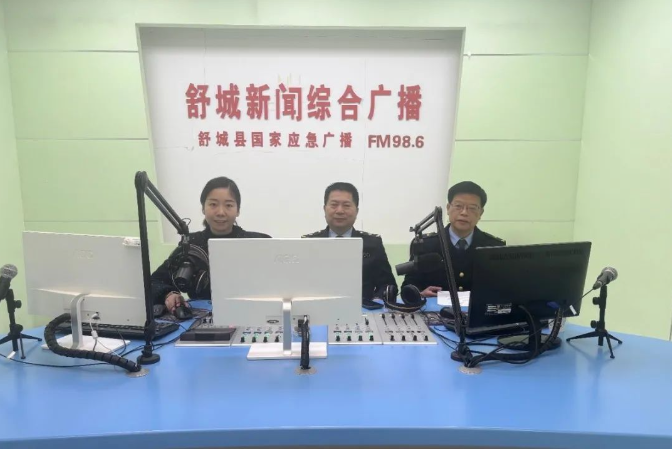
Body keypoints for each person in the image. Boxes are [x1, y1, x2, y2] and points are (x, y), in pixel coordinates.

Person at [151, 177, 270, 315]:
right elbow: (154, 281)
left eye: (229, 205)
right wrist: (168, 294)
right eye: (213, 204)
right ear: (203, 208)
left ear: (238, 210)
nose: (220, 212)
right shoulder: (191, 245)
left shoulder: (260, 243)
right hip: (201, 318)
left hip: (252, 314)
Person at [401, 181, 505, 296]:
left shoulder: (494, 246)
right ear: (448, 208)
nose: (464, 213)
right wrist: (420, 294)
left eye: (472, 208)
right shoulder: (425, 245)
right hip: (434, 307)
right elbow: (408, 287)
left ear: (481, 213)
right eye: (458, 206)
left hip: (476, 307)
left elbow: (502, 289)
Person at [303, 182, 397, 307]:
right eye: (334, 205)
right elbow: (299, 284)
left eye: (346, 205)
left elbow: (388, 285)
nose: (340, 211)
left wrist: (376, 301)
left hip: (362, 311)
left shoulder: (373, 244)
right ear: (324, 209)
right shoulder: (308, 243)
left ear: (356, 211)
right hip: (317, 310)